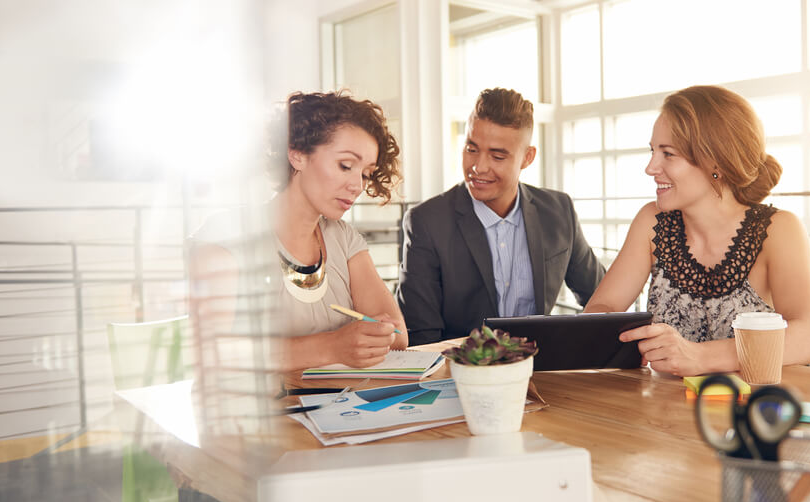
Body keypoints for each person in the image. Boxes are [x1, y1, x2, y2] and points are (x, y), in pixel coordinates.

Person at [583, 85, 810, 376]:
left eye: (668, 154)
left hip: (759, 410)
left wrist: (700, 356)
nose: (651, 167)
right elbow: (604, 305)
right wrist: (613, 336)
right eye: (653, 151)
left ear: (716, 162)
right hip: (671, 413)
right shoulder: (652, 221)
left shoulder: (779, 229)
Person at [189, 91, 408, 372]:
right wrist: (331, 347)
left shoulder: (344, 238)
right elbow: (211, 353)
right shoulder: (225, 237)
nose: (357, 185)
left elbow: (398, 335)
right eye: (345, 166)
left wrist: (378, 334)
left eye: (365, 174)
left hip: (339, 406)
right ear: (297, 154)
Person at [397, 87, 605, 345]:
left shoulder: (558, 211)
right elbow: (420, 335)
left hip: (541, 370)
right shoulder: (427, 222)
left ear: (527, 158)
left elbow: (602, 297)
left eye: (497, 156)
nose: (478, 167)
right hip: (460, 374)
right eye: (471, 149)